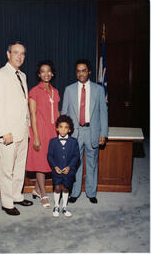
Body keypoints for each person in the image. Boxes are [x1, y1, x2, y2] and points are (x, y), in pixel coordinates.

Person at [0, 41, 33, 216]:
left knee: (19, 167)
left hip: (23, 130)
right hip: (8, 132)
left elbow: (23, 104)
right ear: (8, 54)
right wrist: (4, 131)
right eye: (16, 52)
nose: (19, 56)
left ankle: (16, 195)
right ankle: (7, 203)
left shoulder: (22, 75)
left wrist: (28, 126)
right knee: (7, 169)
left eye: (22, 53)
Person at [62, 59, 108, 204]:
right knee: (75, 163)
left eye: (84, 70)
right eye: (78, 71)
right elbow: (64, 113)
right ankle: (74, 192)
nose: (81, 73)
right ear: (76, 73)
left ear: (89, 72)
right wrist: (64, 133)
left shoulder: (98, 90)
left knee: (92, 163)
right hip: (75, 133)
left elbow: (103, 113)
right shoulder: (69, 90)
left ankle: (91, 192)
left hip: (92, 131)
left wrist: (103, 133)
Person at [26, 60, 60, 208]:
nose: (46, 74)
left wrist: (60, 133)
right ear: (39, 74)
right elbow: (32, 114)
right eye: (42, 71)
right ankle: (44, 194)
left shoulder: (56, 91)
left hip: (53, 131)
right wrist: (36, 136)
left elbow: (57, 113)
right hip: (39, 131)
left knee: (50, 162)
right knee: (40, 164)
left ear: (52, 73)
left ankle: (36, 190)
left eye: (48, 71)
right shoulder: (34, 91)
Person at [47, 115, 80, 217]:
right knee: (57, 188)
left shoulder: (74, 142)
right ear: (57, 128)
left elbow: (76, 156)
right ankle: (56, 205)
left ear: (69, 130)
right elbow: (49, 156)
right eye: (61, 127)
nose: (63, 129)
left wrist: (69, 167)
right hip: (57, 171)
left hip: (68, 171)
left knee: (65, 188)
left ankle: (64, 207)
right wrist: (54, 166)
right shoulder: (52, 142)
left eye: (66, 127)